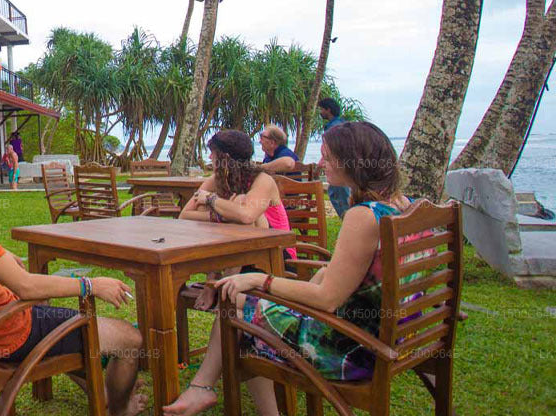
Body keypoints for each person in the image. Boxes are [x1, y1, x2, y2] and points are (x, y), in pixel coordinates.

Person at [164, 122, 416, 416]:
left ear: (352, 161)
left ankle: (204, 388)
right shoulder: (402, 206)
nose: (320, 164)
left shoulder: (363, 216)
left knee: (236, 312)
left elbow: (327, 299)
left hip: (353, 349)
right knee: (240, 304)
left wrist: (261, 280)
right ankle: (203, 388)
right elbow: (344, 279)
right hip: (393, 337)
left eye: (327, 157)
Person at [0, 131, 147, 415]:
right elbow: (26, 287)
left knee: (56, 319)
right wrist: (92, 285)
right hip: (3, 335)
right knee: (129, 338)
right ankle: (120, 409)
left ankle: (103, 393)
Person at [180, 130, 298, 312]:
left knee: (239, 203)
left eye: (213, 153)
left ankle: (216, 285)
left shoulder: (262, 180)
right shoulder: (217, 180)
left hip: (272, 253)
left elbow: (247, 216)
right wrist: (219, 214)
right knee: (210, 206)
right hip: (235, 255)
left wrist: (212, 200)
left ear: (225, 158)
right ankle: (217, 282)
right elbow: (184, 215)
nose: (210, 157)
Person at [318, 98, 350, 216]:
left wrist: (324, 161)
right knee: (338, 195)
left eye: (322, 109)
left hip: (338, 167)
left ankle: (348, 221)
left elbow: (333, 148)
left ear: (328, 110)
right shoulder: (341, 124)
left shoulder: (334, 127)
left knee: (340, 197)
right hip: (342, 166)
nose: (320, 112)